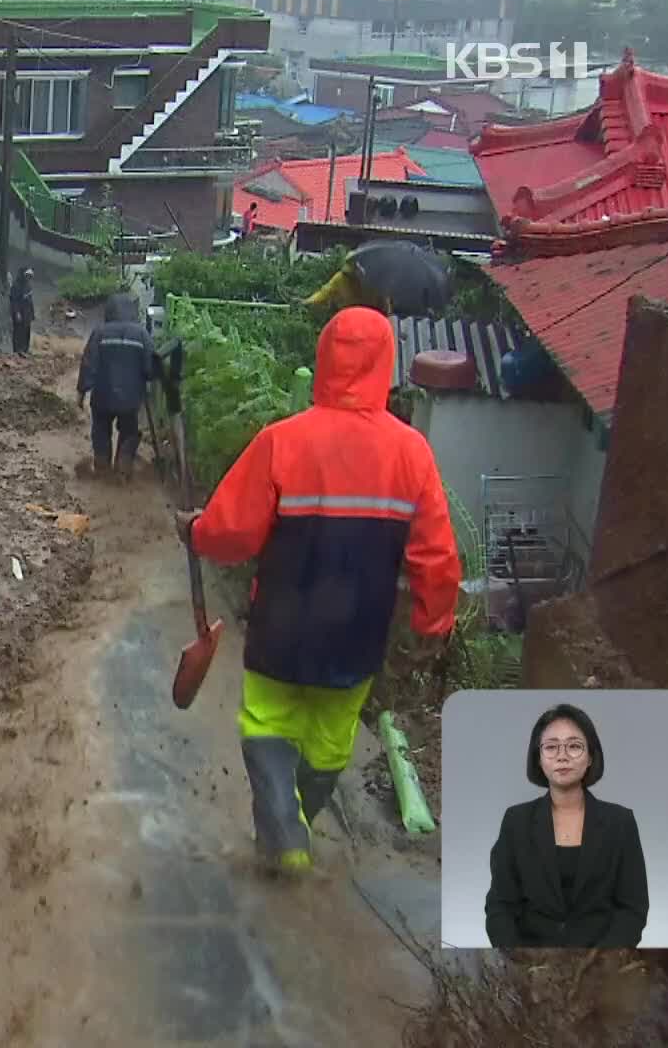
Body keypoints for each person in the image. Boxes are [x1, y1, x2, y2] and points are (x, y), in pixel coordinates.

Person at [174, 305, 461, 875]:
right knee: (330, 739)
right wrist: (433, 625)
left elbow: (232, 531)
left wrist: (195, 531)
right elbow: (437, 556)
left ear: (324, 358)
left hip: (282, 623)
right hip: (358, 633)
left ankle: (284, 832)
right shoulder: (413, 454)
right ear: (387, 365)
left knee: (267, 722)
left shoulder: (283, 441)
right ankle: (295, 823)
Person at [484, 703, 649, 948]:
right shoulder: (516, 821)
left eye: (574, 746)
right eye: (551, 747)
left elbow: (633, 908)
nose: (562, 756)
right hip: (528, 963)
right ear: (538, 758)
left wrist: (602, 961)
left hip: (601, 962)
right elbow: (500, 905)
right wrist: (518, 958)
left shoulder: (620, 822)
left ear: (591, 756)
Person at [77, 292, 155, 481]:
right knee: (130, 431)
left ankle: (102, 465)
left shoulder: (100, 333)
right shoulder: (142, 334)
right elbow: (151, 368)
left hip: (102, 396)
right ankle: (123, 465)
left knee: (101, 430)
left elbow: (88, 364)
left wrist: (81, 392)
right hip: (131, 398)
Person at [9, 267, 35, 356]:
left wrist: (32, 314)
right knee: (18, 331)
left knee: (26, 331)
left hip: (27, 313)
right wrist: (17, 313)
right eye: (27, 276)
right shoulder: (16, 286)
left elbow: (30, 301)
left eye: (30, 277)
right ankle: (17, 350)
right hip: (19, 312)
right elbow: (14, 301)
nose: (28, 278)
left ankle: (25, 349)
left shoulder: (28, 286)